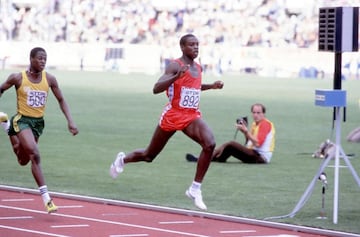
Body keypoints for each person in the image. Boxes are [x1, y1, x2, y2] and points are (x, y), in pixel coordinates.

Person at [109, 34, 224, 210]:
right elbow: (156, 88)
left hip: (191, 116)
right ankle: (123, 159)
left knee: (209, 144)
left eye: (197, 45)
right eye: (191, 45)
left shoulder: (198, 68)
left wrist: (211, 86)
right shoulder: (174, 65)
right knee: (149, 156)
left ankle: (195, 189)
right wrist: (176, 76)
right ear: (182, 47)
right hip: (173, 115)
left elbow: (193, 87)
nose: (195, 48)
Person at [0, 47, 79, 213]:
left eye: (45, 59)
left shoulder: (49, 79)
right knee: (35, 153)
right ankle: (47, 199)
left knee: (23, 159)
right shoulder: (18, 77)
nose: (43, 61)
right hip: (22, 121)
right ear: (31, 59)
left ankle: (5, 124)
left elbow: (61, 100)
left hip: (37, 124)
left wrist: (70, 121)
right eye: (40, 58)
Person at [186, 103, 275, 164]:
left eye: (258, 113)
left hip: (261, 157)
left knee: (231, 144)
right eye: (254, 112)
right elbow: (249, 142)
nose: (256, 115)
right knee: (229, 148)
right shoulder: (255, 124)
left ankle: (205, 158)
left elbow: (258, 143)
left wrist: (246, 131)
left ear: (263, 114)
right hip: (255, 154)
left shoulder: (265, 124)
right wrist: (244, 132)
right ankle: (214, 158)